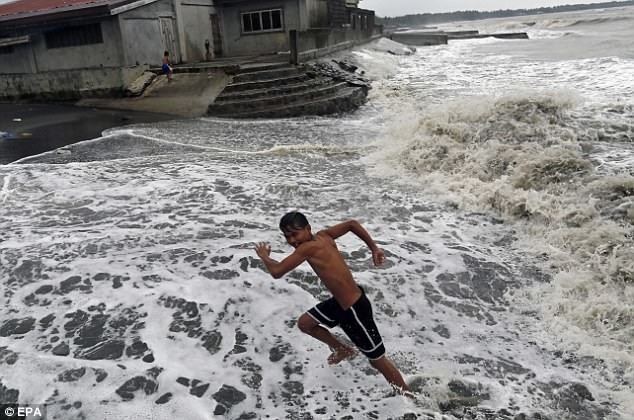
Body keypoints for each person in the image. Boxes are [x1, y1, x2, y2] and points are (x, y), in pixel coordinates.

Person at [254, 211, 410, 394]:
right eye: (287, 236)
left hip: (354, 309)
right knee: (305, 323)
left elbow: (277, 271)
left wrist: (264, 256)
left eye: (295, 234)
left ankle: (409, 397)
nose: (292, 240)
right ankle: (342, 349)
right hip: (340, 303)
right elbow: (352, 224)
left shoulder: (306, 248)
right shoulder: (324, 236)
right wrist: (374, 248)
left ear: (308, 228)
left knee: (377, 360)